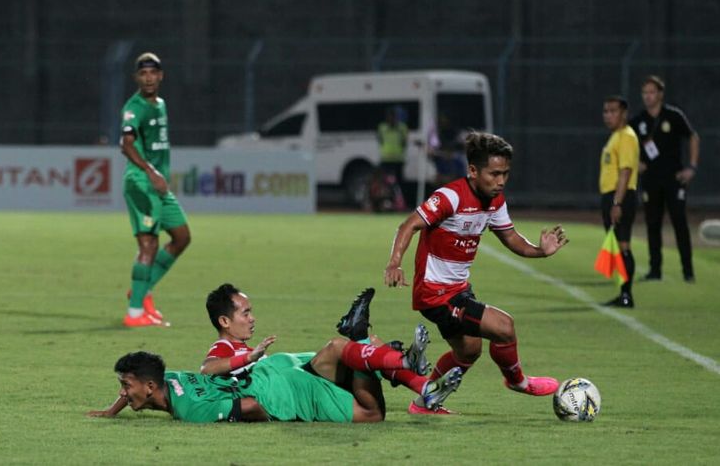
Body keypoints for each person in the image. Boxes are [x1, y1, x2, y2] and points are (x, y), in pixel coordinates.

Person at [384, 131, 569, 414]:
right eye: (494, 174)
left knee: (469, 351)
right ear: (472, 170)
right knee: (503, 327)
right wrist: (394, 263)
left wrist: (540, 250)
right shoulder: (450, 197)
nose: (501, 181)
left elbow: (512, 239)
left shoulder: (495, 201)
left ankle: (425, 401)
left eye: (505, 174)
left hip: (458, 290)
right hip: (436, 294)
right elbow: (407, 226)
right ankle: (518, 382)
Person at [87, 326, 463, 423]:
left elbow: (249, 407)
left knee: (372, 415)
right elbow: (138, 380)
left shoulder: (189, 411)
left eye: (125, 386)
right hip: (274, 367)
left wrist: (276, 414)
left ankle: (388, 357)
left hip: (284, 391)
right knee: (342, 350)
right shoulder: (170, 378)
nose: (122, 391)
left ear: (150, 386)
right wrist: (111, 409)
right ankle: (413, 375)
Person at [198, 282, 460, 412]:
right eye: (245, 313)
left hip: (303, 374)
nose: (252, 318)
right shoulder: (224, 347)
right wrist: (247, 359)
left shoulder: (242, 348)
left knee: (372, 346)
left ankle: (426, 388)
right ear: (224, 321)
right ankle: (396, 357)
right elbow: (207, 369)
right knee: (345, 347)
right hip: (301, 383)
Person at [119, 53, 191, 327]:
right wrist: (151, 172)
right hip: (141, 182)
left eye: (153, 73)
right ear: (137, 78)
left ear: (161, 76)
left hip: (158, 184)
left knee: (182, 237)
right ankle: (135, 313)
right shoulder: (134, 108)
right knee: (148, 243)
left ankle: (142, 289)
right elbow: (126, 144)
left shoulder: (160, 104)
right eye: (143, 73)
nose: (148, 78)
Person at [629, 75, 700, 282]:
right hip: (651, 180)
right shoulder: (639, 121)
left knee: (679, 223)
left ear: (660, 94)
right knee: (652, 224)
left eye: (652, 92)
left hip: (674, 179)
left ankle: (688, 271)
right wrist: (636, 163)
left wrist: (692, 167)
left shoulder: (674, 116)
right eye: (645, 93)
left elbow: (693, 137)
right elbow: (626, 145)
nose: (648, 97)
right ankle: (655, 270)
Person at [600, 96, 640, 308]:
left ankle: (626, 295)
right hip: (612, 196)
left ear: (623, 113)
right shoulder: (616, 136)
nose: (608, 115)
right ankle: (623, 292)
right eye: (606, 111)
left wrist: (617, 202)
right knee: (617, 245)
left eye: (613, 111)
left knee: (623, 244)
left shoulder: (626, 136)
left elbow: (625, 172)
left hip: (620, 196)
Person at [376, 107, 409, 195]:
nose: (391, 119)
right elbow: (380, 140)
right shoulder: (382, 127)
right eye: (389, 117)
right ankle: (387, 198)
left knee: (400, 182)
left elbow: (404, 142)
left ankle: (400, 200)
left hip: (398, 159)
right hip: (386, 158)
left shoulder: (402, 127)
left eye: (393, 117)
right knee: (385, 181)